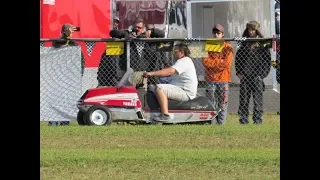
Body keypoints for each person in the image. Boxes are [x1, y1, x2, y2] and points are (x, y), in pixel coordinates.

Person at [142, 43, 198, 121]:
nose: (173, 53)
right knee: (152, 88)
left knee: (160, 88)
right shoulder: (182, 62)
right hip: (180, 89)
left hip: (185, 92)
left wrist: (151, 73)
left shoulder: (185, 61)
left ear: (181, 53)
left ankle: (165, 115)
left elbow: (170, 71)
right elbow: (172, 78)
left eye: (175, 51)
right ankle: (153, 112)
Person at [235, 20, 271, 124]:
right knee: (244, 100)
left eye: (253, 30)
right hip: (245, 76)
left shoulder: (263, 43)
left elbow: (267, 61)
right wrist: (239, 73)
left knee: (258, 100)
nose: (251, 32)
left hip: (257, 76)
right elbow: (238, 59)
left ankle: (258, 120)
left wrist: (262, 75)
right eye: (249, 30)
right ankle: (243, 120)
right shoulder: (244, 42)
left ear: (257, 30)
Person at [48, 23, 84, 126]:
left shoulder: (74, 45)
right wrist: (65, 36)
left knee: (67, 100)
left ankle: (65, 122)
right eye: (70, 29)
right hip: (58, 76)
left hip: (70, 76)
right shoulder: (58, 42)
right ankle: (53, 122)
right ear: (64, 31)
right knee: (56, 99)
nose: (72, 32)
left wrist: (79, 73)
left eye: (73, 30)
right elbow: (57, 43)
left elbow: (81, 60)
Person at [202, 24, 234, 124]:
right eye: (215, 33)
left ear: (222, 34)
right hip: (210, 78)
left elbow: (227, 63)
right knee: (210, 103)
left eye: (218, 33)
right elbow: (205, 62)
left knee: (222, 103)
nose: (216, 35)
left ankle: (221, 124)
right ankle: (211, 122)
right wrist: (219, 61)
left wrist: (214, 63)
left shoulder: (228, 46)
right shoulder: (208, 44)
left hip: (223, 79)